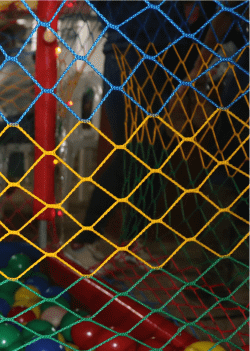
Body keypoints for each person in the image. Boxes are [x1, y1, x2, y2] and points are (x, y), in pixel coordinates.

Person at [63, 1, 209, 274]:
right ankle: (84, 241)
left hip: (173, 60)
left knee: (155, 156)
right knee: (130, 153)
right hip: (130, 54)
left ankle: (132, 242)